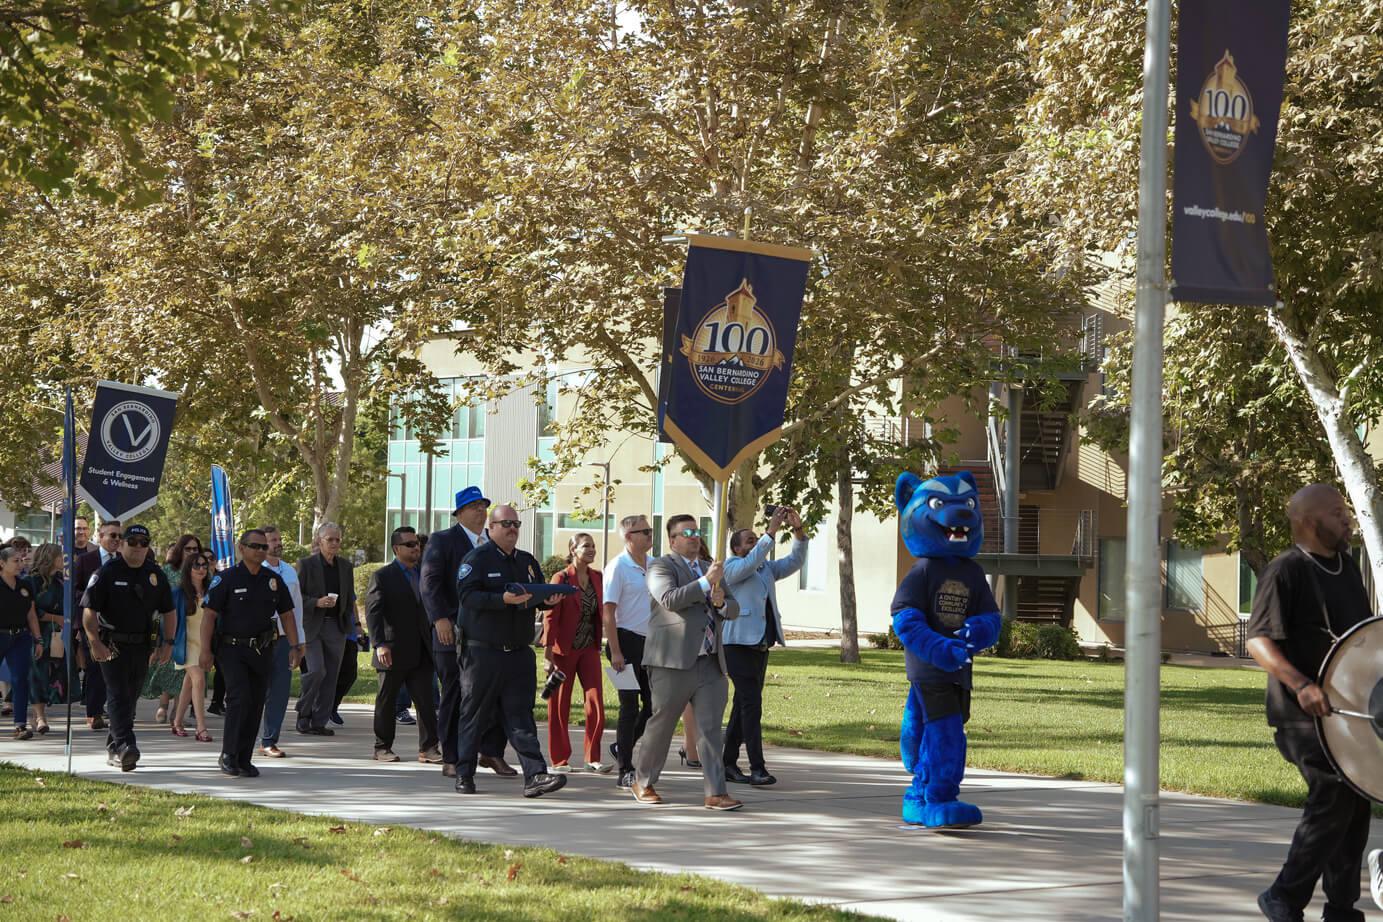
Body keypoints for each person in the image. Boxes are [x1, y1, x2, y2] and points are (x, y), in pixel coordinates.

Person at [1246, 484, 1373, 922]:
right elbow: (1258, 640)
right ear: (1307, 521)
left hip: (1349, 711)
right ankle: (1283, 896)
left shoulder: (1347, 568)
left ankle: (1341, 909)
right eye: (1337, 513)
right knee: (1333, 791)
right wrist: (1301, 684)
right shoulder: (1285, 570)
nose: (1347, 519)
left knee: (1356, 802)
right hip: (1301, 714)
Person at [453, 503, 567, 798]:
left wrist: (547, 601)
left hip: (518, 653)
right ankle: (464, 774)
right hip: (482, 654)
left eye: (516, 524)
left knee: (521, 716)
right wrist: (501, 600)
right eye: (506, 524)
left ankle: (535, 775)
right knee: (474, 716)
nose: (512, 529)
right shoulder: (477, 559)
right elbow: (467, 596)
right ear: (491, 528)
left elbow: (536, 594)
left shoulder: (526, 561)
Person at [630, 514, 742, 811]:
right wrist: (706, 583)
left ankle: (715, 792)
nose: (694, 537)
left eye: (697, 531)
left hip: (710, 661)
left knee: (710, 729)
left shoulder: (710, 568)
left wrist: (721, 602)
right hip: (672, 660)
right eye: (687, 533)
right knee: (662, 723)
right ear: (672, 540)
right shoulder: (661, 566)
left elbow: (733, 608)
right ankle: (643, 781)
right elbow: (669, 598)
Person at [419, 487, 514, 779]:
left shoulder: (492, 542)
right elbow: (429, 582)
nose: (480, 511)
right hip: (452, 631)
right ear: (459, 513)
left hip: (488, 634)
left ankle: (491, 751)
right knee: (456, 693)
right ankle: (451, 756)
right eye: (473, 506)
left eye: (483, 505)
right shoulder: (443, 540)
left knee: (496, 693)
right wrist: (439, 619)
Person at [201, 529, 303, 777]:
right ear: (241, 548)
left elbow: (287, 614)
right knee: (239, 698)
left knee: (256, 701)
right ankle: (228, 754)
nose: (260, 551)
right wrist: (205, 650)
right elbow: (209, 616)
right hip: (231, 648)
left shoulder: (272, 580)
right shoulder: (226, 578)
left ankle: (244, 758)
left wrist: (295, 646)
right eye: (254, 546)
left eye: (263, 547)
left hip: (262, 649)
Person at [721, 507, 808, 786]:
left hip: (760, 645)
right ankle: (757, 768)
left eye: (756, 539)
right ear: (737, 548)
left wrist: (797, 530)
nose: (756, 542)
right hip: (736, 645)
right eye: (750, 540)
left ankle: (727, 763)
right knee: (751, 705)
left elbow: (795, 561)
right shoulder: (731, 567)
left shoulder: (765, 569)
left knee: (743, 704)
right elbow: (749, 564)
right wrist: (771, 531)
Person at [82, 524, 175, 770]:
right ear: (122, 543)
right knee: (118, 694)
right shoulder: (107, 572)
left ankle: (115, 748)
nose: (137, 547)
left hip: (142, 645)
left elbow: (169, 611)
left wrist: (168, 642)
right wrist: (95, 642)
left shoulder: (155, 574)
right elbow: (89, 610)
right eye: (132, 541)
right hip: (112, 644)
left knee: (131, 697)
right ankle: (126, 745)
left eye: (143, 543)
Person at [366, 526, 440, 763]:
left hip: (422, 650)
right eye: (409, 544)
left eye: (417, 543)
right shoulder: (383, 576)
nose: (416, 547)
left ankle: (429, 748)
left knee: (426, 702)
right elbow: (373, 613)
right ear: (396, 549)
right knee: (387, 701)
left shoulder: (425, 574)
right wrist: (379, 643)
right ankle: (382, 747)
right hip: (392, 650)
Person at [544, 532, 608, 773]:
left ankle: (593, 758)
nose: (591, 550)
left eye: (593, 546)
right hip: (564, 650)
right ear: (573, 550)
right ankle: (560, 759)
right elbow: (551, 617)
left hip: (589, 648)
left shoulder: (597, 577)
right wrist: (548, 654)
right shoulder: (561, 578)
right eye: (586, 546)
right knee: (559, 705)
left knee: (595, 702)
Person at [602, 514, 655, 788]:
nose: (649, 535)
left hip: (651, 644)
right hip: (624, 642)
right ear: (628, 536)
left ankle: (623, 745)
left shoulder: (654, 565)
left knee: (654, 705)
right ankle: (625, 767)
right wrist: (616, 651)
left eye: (650, 530)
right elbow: (608, 613)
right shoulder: (617, 567)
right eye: (643, 531)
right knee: (629, 706)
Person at [294, 522, 358, 736]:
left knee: (331, 675)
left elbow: (349, 596)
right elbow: (296, 597)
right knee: (316, 671)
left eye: (337, 539)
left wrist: (351, 624)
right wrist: (316, 602)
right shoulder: (306, 564)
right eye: (330, 539)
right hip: (312, 626)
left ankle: (319, 722)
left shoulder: (345, 566)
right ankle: (304, 713)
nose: (334, 543)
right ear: (319, 541)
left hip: (336, 627)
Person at [144, 535, 200, 723]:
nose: (192, 552)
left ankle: (178, 710)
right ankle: (163, 705)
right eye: (188, 549)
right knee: (168, 667)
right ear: (179, 550)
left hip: (194, 627)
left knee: (186, 672)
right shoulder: (167, 571)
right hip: (171, 625)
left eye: (195, 549)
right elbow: (158, 601)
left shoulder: (200, 570)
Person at [258, 525, 303, 758]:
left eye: (278, 539)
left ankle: (269, 739)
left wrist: (299, 642)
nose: (277, 543)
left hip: (285, 639)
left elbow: (297, 610)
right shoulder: (256, 571)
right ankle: (246, 736)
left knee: (279, 691)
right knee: (256, 689)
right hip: (260, 638)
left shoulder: (290, 572)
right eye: (272, 540)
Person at [74, 519, 121, 731]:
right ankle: (94, 713)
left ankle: (115, 709)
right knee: (95, 668)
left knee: (117, 668)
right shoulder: (85, 560)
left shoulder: (124, 561)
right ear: (100, 537)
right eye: (112, 535)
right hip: (91, 622)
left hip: (118, 625)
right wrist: (93, 599)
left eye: (119, 536)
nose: (117, 540)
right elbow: (74, 590)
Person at [171, 551, 214, 742]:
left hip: (204, 644)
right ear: (188, 568)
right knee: (198, 680)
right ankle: (201, 727)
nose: (202, 569)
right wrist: (165, 644)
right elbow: (169, 620)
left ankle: (177, 721)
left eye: (205, 565)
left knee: (189, 683)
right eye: (197, 565)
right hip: (185, 643)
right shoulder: (178, 593)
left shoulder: (212, 590)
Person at [0, 547, 42, 738]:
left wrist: (38, 639)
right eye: (15, 561)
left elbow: (31, 615)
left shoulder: (25, 585)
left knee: (20, 679)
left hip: (20, 637)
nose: (20, 564)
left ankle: (20, 725)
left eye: (21, 560)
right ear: (2, 563)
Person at [27, 543, 65, 734]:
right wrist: (55, 618)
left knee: (51, 675)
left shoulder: (60, 581)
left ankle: (38, 713)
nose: (62, 559)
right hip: (37, 633)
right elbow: (31, 610)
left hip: (57, 635)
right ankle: (41, 716)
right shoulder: (32, 581)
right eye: (59, 556)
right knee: (37, 674)